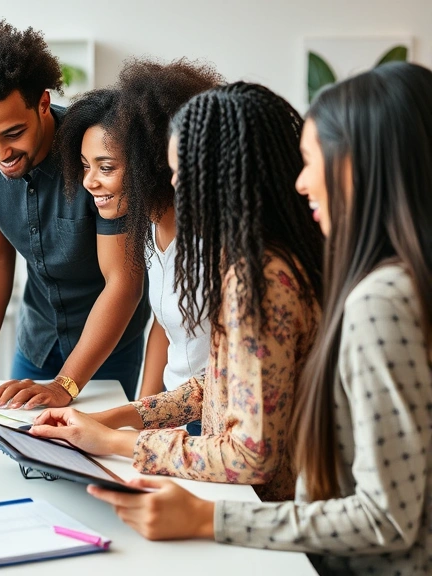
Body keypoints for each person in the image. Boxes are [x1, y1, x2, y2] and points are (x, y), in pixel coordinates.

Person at [86, 61, 432, 576]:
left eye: (182, 175)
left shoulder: (310, 286)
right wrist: (124, 417)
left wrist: (197, 511)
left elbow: (259, 458)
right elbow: (237, 383)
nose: (300, 180)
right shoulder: (288, 262)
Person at [33, 82, 324, 502]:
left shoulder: (261, 277)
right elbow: (218, 382)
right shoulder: (251, 260)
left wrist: (118, 440)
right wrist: (114, 419)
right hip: (238, 492)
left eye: (180, 173)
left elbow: (250, 456)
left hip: (267, 510)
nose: (171, 185)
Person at [0, 21, 150, 406]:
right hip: (37, 339)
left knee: (91, 459)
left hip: (105, 347)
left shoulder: (94, 154)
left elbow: (123, 282)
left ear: (43, 104)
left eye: (13, 133)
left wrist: (66, 384)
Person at [55, 59, 222, 435]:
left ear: (153, 163)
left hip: (219, 424)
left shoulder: (214, 245)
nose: (89, 182)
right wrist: (139, 421)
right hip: (176, 413)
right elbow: (163, 326)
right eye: (85, 166)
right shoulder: (146, 229)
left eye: (106, 168)